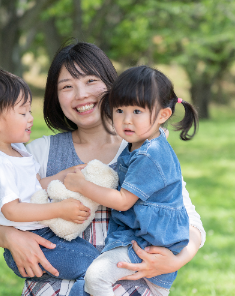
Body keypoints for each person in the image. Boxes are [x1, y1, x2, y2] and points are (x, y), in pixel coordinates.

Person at [0, 41, 206, 296]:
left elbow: (190, 220)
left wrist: (177, 260)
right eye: (67, 86)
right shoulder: (37, 152)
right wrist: (10, 238)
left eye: (91, 81)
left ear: (111, 85)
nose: (81, 94)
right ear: (55, 96)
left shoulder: (146, 151)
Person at [64, 65, 198, 296]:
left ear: (162, 116)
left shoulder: (150, 154)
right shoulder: (142, 146)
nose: (126, 120)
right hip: (145, 238)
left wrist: (82, 185)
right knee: (81, 288)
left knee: (96, 277)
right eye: (119, 111)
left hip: (148, 242)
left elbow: (124, 201)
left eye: (137, 112)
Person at [0, 68, 100, 296]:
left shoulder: (15, 148)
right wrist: (58, 209)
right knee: (95, 266)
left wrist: (63, 176)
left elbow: (35, 186)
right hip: (31, 242)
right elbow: (12, 210)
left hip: (42, 235)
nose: (31, 118)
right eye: (23, 113)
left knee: (94, 260)